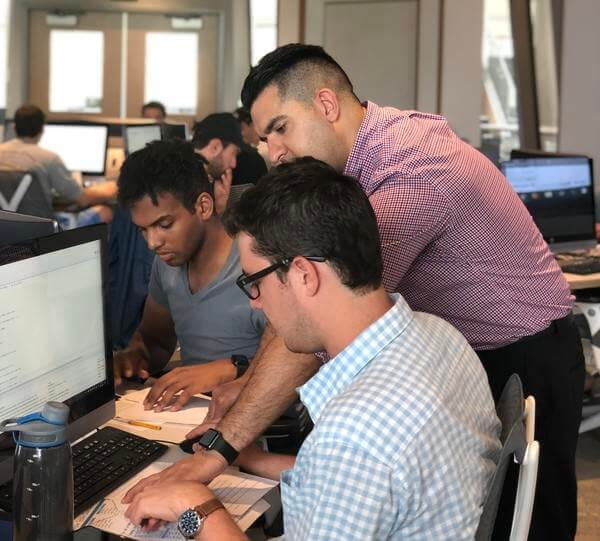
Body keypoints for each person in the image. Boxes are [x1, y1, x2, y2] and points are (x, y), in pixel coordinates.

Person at [126, 44, 584, 541]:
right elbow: (311, 313)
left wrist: (218, 453)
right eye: (262, 139)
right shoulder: (363, 161)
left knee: (540, 522)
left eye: (280, 128)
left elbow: (319, 311)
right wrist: (249, 390)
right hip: (456, 355)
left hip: (525, 346)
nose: (273, 152)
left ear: (326, 105)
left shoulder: (411, 172)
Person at [124, 158, 501, 540]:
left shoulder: (352, 436)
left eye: (253, 282)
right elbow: (363, 485)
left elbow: (356, 460)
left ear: (304, 275)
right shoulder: (440, 337)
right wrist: (256, 460)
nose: (255, 302)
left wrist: (193, 507)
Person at [114, 139, 266, 411]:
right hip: (187, 416)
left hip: (258, 422)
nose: (152, 243)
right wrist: (134, 357)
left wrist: (229, 370)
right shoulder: (167, 264)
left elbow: (302, 361)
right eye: (143, 230)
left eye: (164, 224)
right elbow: (156, 340)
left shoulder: (258, 262)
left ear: (203, 207)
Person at [0, 104, 116, 224]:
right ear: (42, 130)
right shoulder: (49, 158)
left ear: (14, 128)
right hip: (43, 229)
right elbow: (83, 199)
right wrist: (112, 188)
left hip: (4, 229)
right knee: (105, 211)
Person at [192, 113, 243, 215]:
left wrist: (220, 206)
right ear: (216, 147)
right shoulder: (182, 180)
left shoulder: (202, 176)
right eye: (233, 153)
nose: (234, 164)